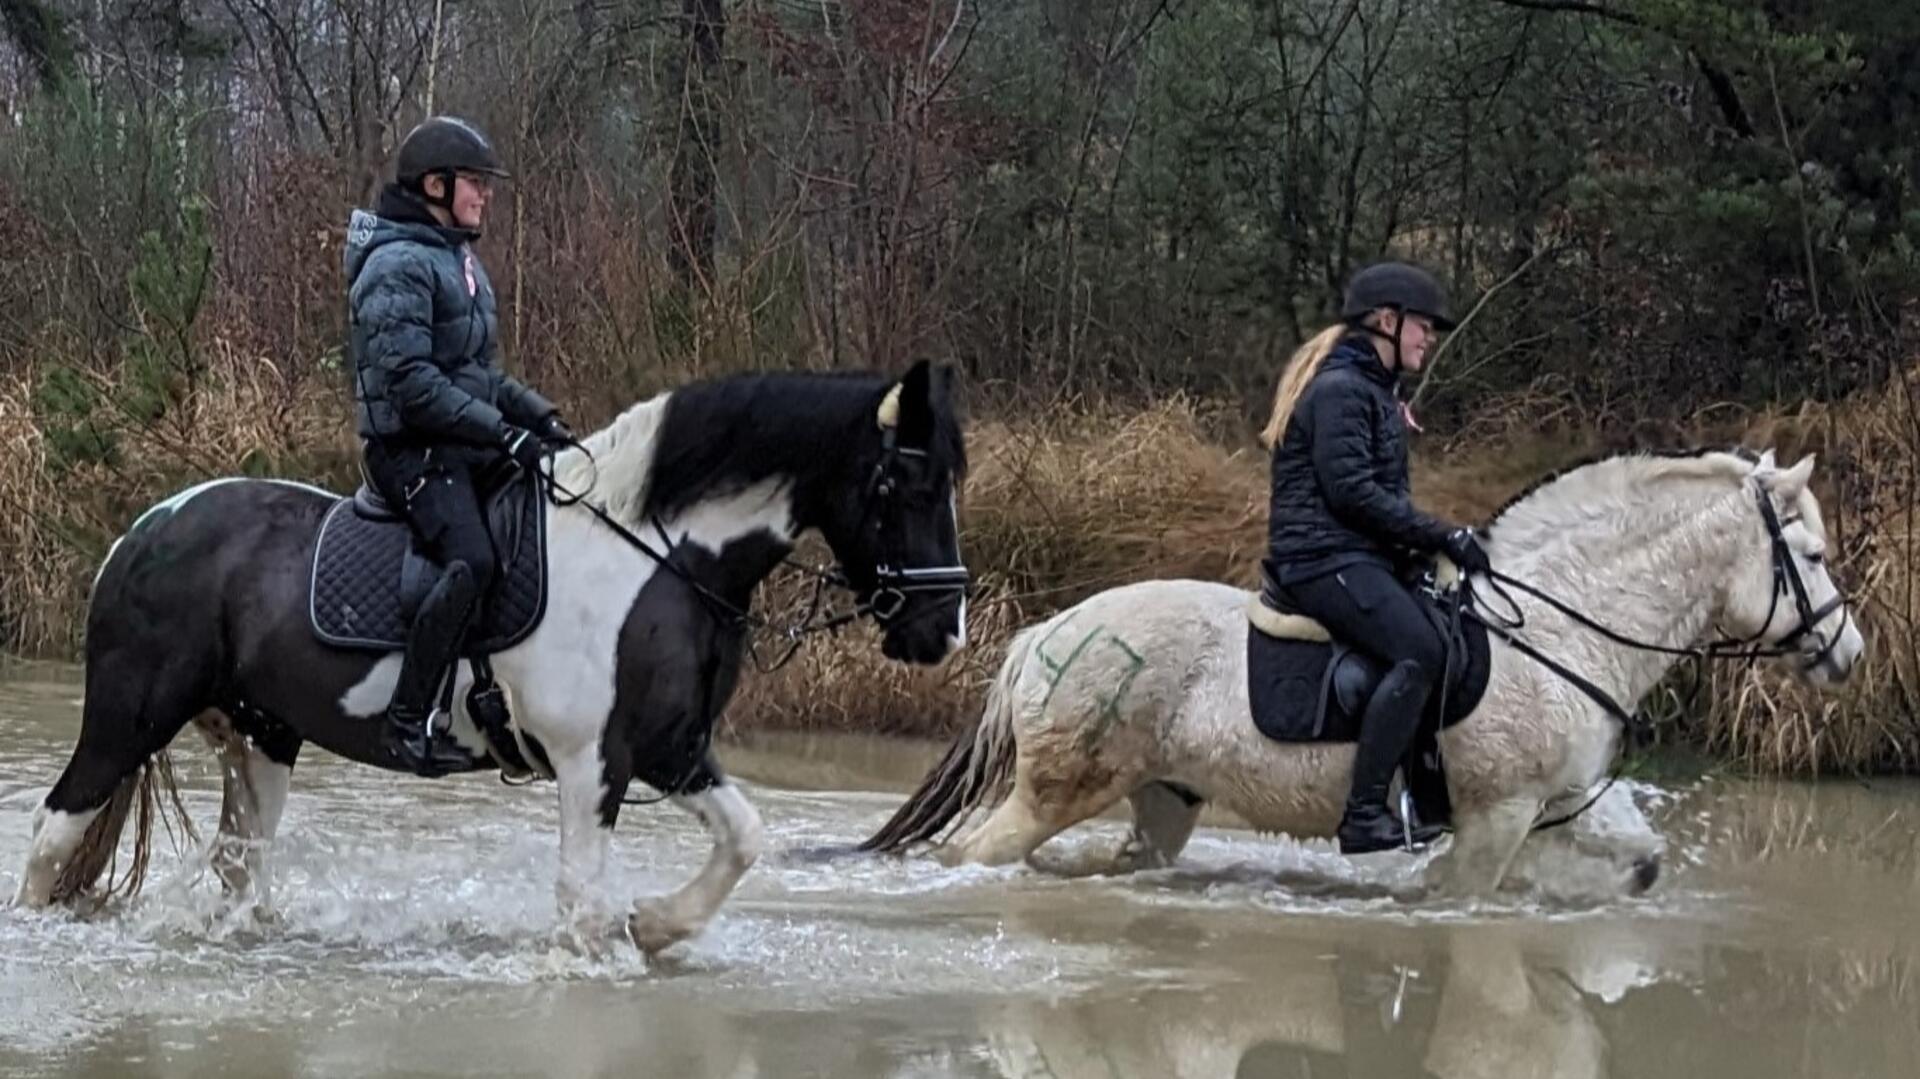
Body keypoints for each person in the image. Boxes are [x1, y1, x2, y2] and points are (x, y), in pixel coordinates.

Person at [343, 116, 572, 775]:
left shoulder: (458, 261)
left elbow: (481, 376)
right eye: (476, 183)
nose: (486, 195)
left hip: (458, 443)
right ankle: (406, 720)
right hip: (409, 451)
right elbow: (411, 385)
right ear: (436, 186)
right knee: (473, 558)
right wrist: (502, 433)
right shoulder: (397, 265)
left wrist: (541, 419)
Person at [1257, 261, 1491, 854]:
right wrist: (1442, 535)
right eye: (1423, 326)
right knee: (1421, 648)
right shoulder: (1341, 392)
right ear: (1387, 322)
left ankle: (1429, 799)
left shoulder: (1373, 392)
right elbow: (1353, 494)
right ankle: (1363, 814)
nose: (1429, 338)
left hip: (1355, 553)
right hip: (1319, 558)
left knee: (1447, 628)